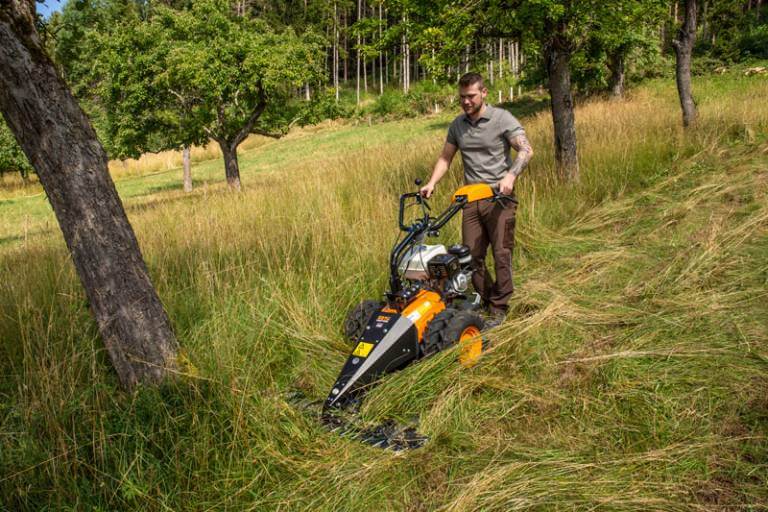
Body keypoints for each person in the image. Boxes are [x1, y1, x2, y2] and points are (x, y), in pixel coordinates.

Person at [420, 72, 533, 327]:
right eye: (462, 97)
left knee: (502, 253)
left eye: (471, 96)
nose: (466, 102)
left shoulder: (502, 118)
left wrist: (510, 176)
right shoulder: (457, 125)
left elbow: (526, 149)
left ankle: (499, 307)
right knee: (471, 257)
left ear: (484, 93)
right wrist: (431, 182)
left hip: (499, 199)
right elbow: (446, 158)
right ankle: (486, 297)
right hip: (470, 200)